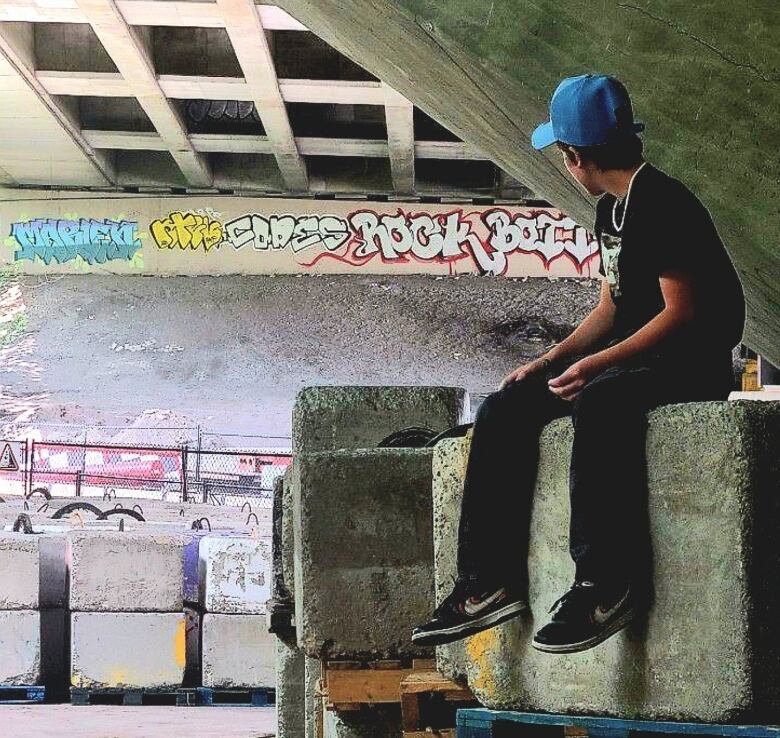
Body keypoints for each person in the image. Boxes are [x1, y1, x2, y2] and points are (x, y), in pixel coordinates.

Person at [411, 74, 745, 654]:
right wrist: (549, 360)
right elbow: (612, 306)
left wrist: (595, 369)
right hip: (636, 357)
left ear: (576, 157)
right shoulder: (612, 212)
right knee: (506, 406)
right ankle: (485, 583)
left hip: (690, 363)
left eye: (563, 154)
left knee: (603, 400)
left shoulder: (663, 204)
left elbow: (681, 314)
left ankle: (603, 585)